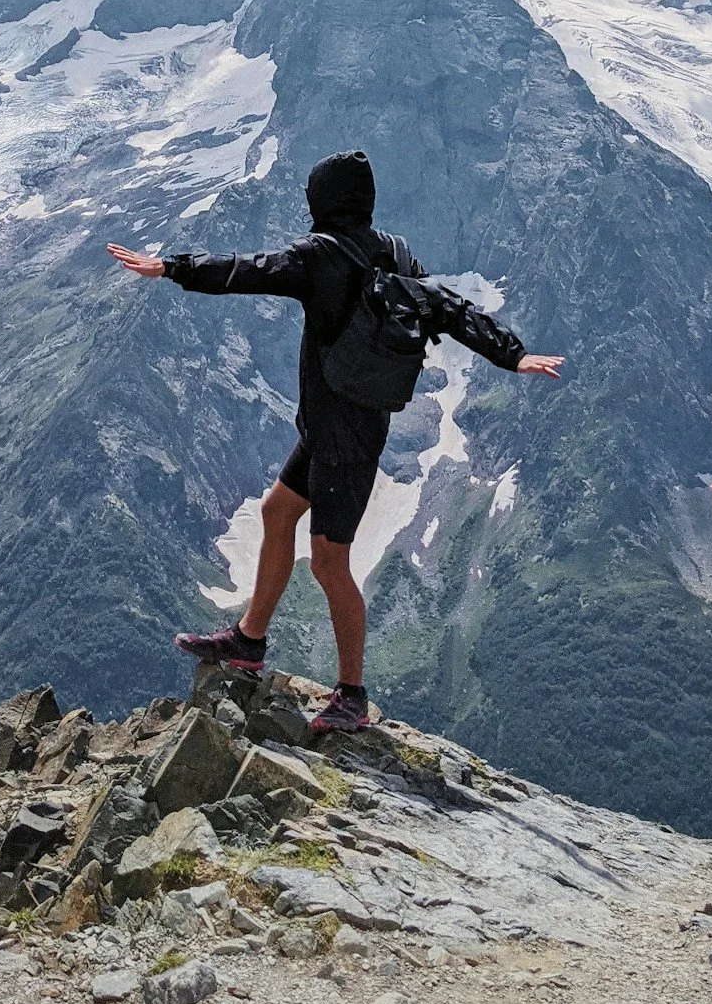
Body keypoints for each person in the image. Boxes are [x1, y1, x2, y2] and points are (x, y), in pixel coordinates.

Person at [108, 147, 562, 734]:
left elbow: (247, 270)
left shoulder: (319, 255)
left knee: (329, 561)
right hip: (341, 426)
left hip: (342, 435)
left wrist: (171, 266)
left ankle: (351, 695)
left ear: (323, 201)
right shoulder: (394, 252)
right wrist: (513, 353)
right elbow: (448, 307)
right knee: (278, 512)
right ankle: (249, 640)